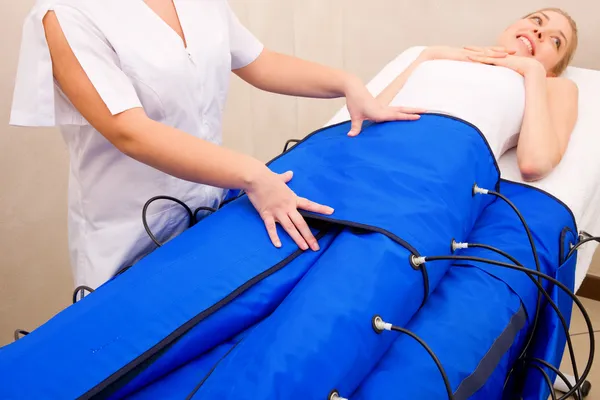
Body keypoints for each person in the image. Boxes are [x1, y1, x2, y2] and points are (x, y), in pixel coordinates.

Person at [9, 0, 425, 288]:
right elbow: (128, 131)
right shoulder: (67, 13)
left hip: (209, 216)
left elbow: (259, 62)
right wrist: (250, 175)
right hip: (126, 235)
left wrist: (348, 84)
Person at [374, 7, 579, 182]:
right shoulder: (440, 56)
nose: (539, 31)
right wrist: (429, 55)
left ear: (552, 71)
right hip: (372, 148)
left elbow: (534, 164)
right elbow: (369, 114)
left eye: (556, 41)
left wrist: (533, 71)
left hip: (434, 168)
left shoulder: (549, 84)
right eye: (537, 20)